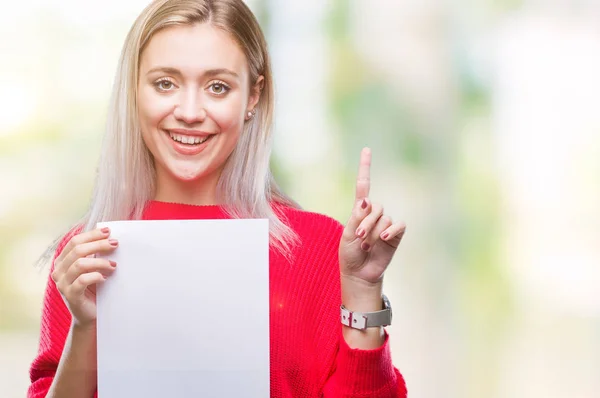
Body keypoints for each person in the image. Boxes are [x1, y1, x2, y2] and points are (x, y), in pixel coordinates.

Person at [27, 0, 408, 397]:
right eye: (165, 83)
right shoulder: (87, 257)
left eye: (218, 87)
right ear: (134, 91)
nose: (190, 112)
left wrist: (364, 293)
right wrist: (86, 326)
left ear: (253, 97)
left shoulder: (319, 249)